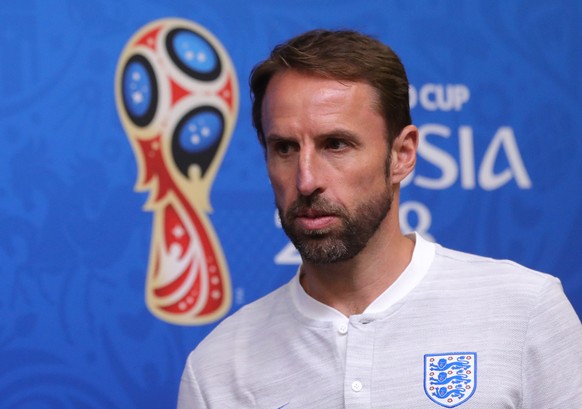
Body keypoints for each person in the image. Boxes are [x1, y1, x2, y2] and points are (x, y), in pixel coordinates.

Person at [177, 29, 582, 408]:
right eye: (284, 148)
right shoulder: (217, 369)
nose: (306, 179)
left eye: (335, 144)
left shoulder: (525, 311)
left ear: (402, 155)